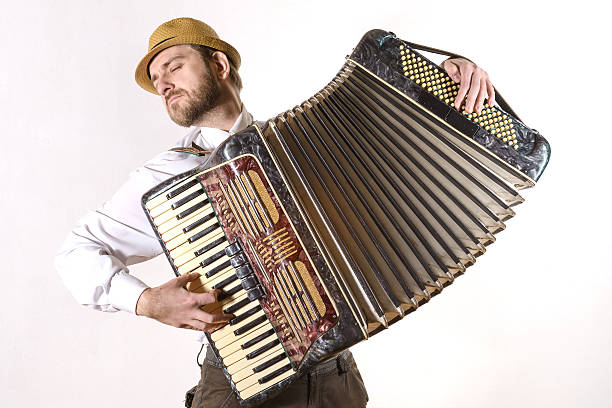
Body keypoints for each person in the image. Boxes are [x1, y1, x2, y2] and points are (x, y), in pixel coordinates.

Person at [55, 17, 496, 408]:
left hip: (336, 380)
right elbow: (77, 251)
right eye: (156, 79)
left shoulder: (303, 141)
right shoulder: (170, 174)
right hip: (241, 381)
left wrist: (446, 78)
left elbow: (399, 145)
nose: (163, 83)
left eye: (173, 65)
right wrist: (145, 301)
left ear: (220, 66)